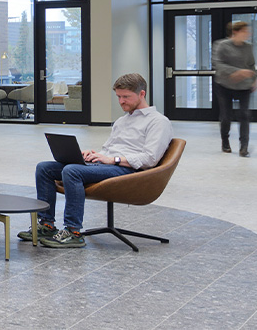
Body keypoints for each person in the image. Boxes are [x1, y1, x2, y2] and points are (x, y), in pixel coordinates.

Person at [30, 73, 171, 248]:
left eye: (126, 97)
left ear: (142, 94)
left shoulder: (158, 122)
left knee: (72, 171)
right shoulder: (121, 121)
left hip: (128, 170)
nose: (121, 102)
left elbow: (150, 159)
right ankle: (47, 225)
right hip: (108, 163)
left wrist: (113, 159)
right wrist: (94, 154)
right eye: (119, 97)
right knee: (44, 168)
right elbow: (109, 149)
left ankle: (73, 231)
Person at [214, 20, 257, 156]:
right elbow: (218, 64)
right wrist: (237, 72)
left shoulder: (248, 47)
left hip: (244, 86)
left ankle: (243, 147)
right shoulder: (221, 45)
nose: (248, 34)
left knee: (245, 115)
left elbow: (251, 65)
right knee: (226, 116)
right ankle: (225, 141)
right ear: (235, 32)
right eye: (245, 31)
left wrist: (254, 78)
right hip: (224, 85)